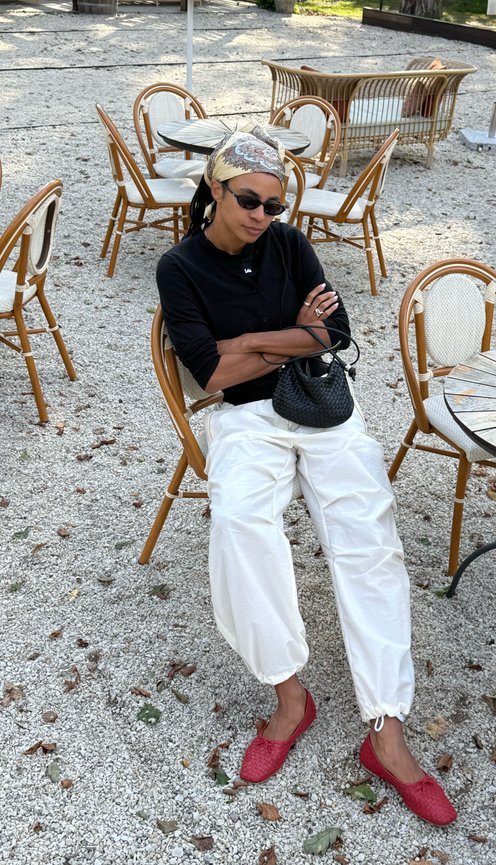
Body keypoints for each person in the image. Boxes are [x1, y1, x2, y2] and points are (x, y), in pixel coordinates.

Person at [156, 126, 456, 826]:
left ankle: (386, 729)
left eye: (274, 204)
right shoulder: (180, 267)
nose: (262, 215)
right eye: (249, 200)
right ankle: (291, 697)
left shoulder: (288, 245)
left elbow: (334, 333)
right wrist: (282, 333)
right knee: (238, 523)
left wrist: (256, 341)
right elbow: (214, 373)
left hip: (318, 402)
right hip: (243, 420)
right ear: (215, 190)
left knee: (368, 536)